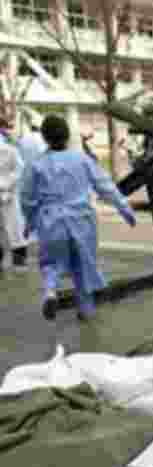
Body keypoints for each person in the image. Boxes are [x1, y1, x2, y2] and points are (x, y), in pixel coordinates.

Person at [21, 115, 137, 321]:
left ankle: (50, 291)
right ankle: (86, 310)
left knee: (51, 263)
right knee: (83, 265)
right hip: (82, 220)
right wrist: (124, 208)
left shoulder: (36, 165)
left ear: (45, 138)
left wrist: (29, 223)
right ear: (67, 135)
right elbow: (105, 186)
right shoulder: (82, 159)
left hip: (51, 221)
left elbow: (27, 198)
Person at [0, 118, 29, 272]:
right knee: (14, 227)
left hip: (8, 194)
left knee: (14, 227)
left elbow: (19, 169)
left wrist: (6, 184)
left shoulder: (10, 149)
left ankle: (19, 260)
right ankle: (19, 261)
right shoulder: (10, 148)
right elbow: (19, 169)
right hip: (8, 191)